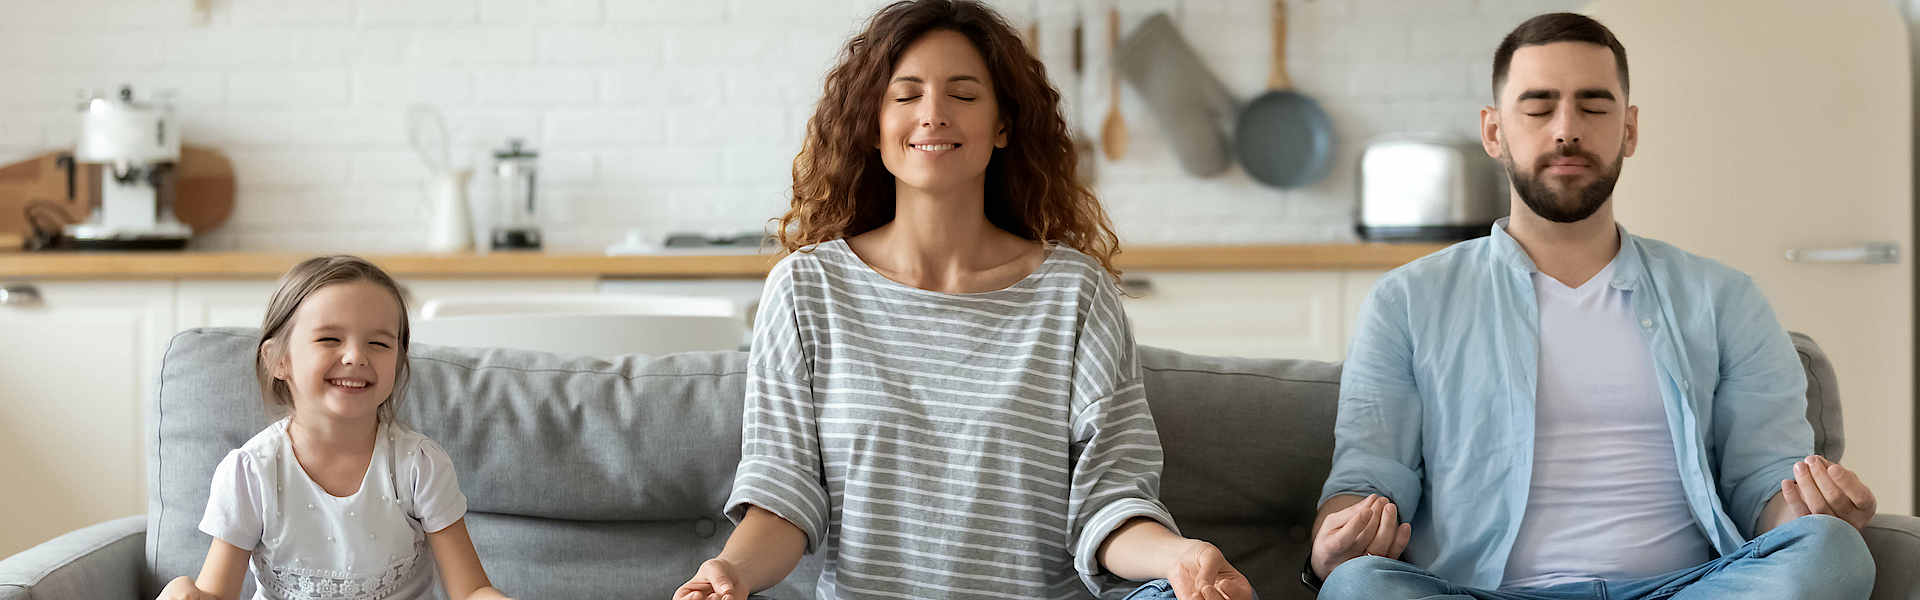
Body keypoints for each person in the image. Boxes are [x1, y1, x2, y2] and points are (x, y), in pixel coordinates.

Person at [672, 1, 1253, 599]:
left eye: (964, 95)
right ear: (873, 124)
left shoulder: (1075, 294)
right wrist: (732, 572)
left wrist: (1178, 556)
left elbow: (1111, 500)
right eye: (906, 95)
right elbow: (783, 493)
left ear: (1003, 125)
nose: (933, 115)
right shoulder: (805, 289)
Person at [1307, 12, 1878, 600]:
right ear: (1494, 131)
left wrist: (1813, 513)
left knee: (1832, 553)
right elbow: (1370, 476)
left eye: (1593, 106)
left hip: (1684, 591)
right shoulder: (1407, 301)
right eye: (1537, 106)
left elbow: (1762, 482)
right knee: (1358, 587)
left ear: (1628, 129)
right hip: (1477, 594)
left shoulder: (1725, 299)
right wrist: (1335, 542)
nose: (1565, 129)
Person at [159, 255, 511, 600]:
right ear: (279, 360)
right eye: (330, 339)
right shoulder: (250, 472)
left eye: (379, 343)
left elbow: (472, 591)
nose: (356, 356)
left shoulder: (421, 465)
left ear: (399, 363)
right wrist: (184, 592)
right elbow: (215, 594)